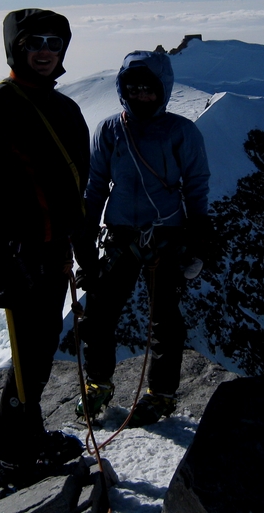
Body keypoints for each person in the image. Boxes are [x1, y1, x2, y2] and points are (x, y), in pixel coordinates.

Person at [0, 8, 96, 488]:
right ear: (17, 48)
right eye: (34, 41)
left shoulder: (65, 109)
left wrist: (83, 250)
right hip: (21, 258)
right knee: (28, 358)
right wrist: (0, 264)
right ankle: (15, 459)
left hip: (53, 253)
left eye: (54, 42)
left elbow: (73, 188)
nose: (45, 50)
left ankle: (29, 438)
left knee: (36, 358)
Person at [76, 50, 211, 427]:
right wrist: (85, 232)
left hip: (166, 237)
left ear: (162, 90)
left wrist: (198, 238)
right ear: (122, 90)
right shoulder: (108, 130)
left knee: (163, 321)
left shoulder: (181, 132)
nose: (140, 95)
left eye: (147, 89)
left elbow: (196, 187)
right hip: (121, 236)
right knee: (100, 314)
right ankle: (98, 384)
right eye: (132, 88)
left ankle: (160, 394)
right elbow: (96, 184)